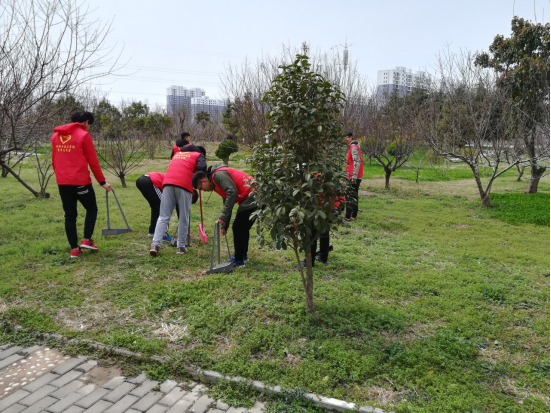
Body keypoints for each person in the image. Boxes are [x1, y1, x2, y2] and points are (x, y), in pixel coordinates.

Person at [51, 111, 113, 258]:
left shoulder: (55, 136)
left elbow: (54, 160)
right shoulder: (84, 136)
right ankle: (87, 239)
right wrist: (102, 182)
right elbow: (93, 161)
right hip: (80, 182)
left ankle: (74, 249)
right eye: (89, 124)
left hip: (63, 182)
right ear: (85, 122)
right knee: (91, 209)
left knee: (70, 215)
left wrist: (60, 177)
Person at [192, 165, 256, 268]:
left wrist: (223, 216)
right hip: (252, 195)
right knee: (243, 227)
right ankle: (242, 256)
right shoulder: (216, 185)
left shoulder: (217, 175)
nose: (204, 191)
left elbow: (232, 192)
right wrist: (225, 224)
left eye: (201, 188)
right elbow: (227, 203)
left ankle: (239, 260)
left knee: (238, 227)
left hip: (253, 194)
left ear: (203, 181)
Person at [150, 145, 207, 256]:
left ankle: (155, 245)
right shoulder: (198, 155)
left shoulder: (177, 154)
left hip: (167, 183)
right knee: (183, 217)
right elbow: (202, 169)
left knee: (163, 216)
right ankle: (181, 247)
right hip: (184, 185)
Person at [136, 172, 173, 241]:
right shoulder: (176, 187)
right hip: (150, 182)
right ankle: (163, 234)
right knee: (164, 208)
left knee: (155, 207)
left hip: (140, 180)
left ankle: (152, 231)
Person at [344, 132, 364, 221]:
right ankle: (353, 215)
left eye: (346, 138)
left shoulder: (353, 148)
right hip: (354, 176)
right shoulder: (353, 147)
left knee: (349, 196)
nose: (344, 140)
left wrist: (354, 177)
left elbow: (357, 162)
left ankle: (348, 217)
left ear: (351, 137)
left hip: (353, 177)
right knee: (354, 196)